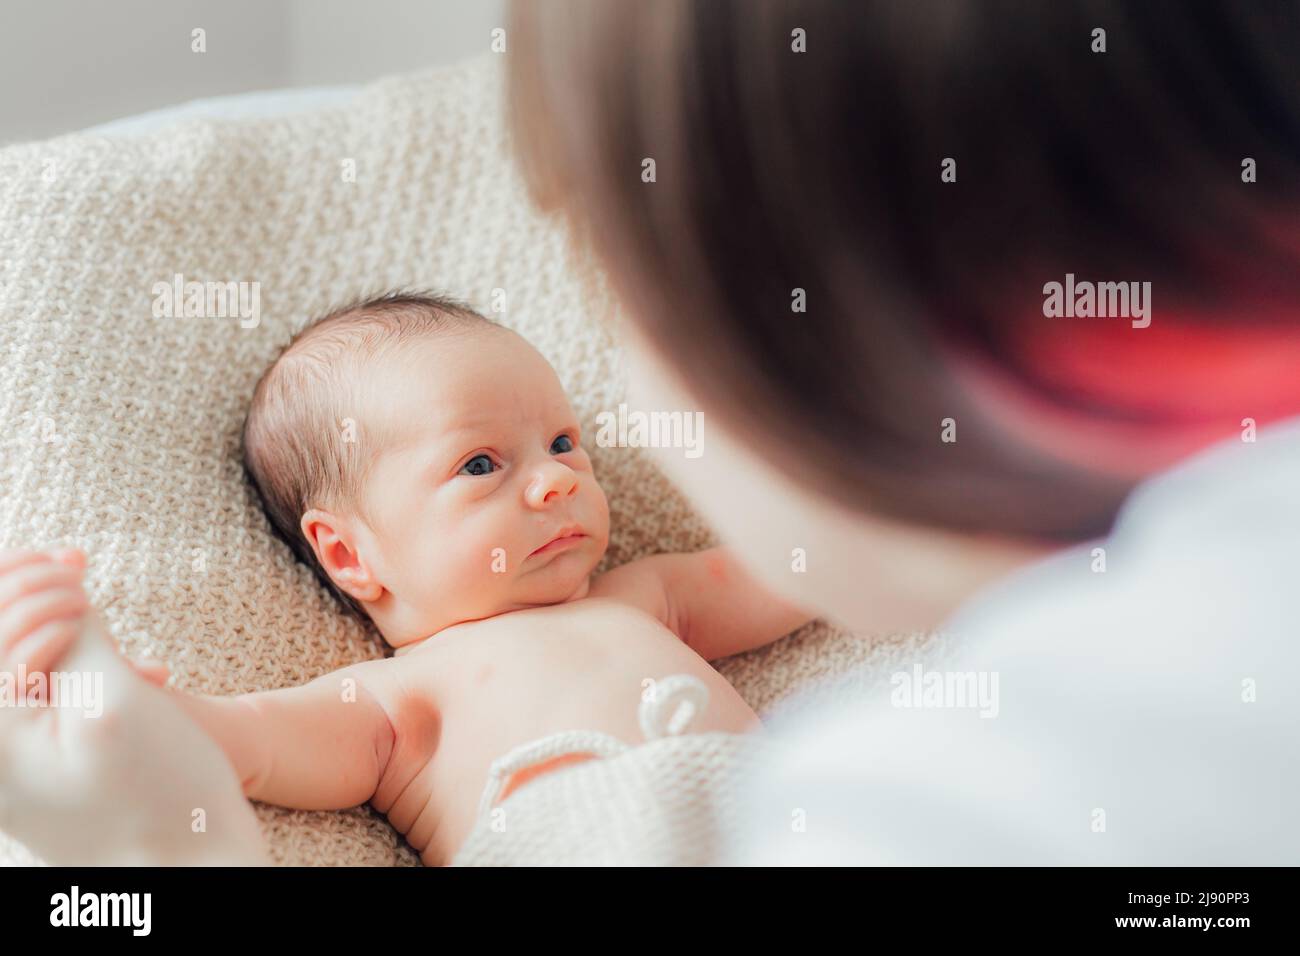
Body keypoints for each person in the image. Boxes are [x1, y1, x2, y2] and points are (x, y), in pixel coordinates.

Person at [3, 0, 1297, 864]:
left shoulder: (648, 599)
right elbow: (244, 743)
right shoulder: (402, 702)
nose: (558, 482)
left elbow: (790, 579)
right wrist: (129, 701)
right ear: (352, 556)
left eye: (565, 446)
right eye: (481, 465)